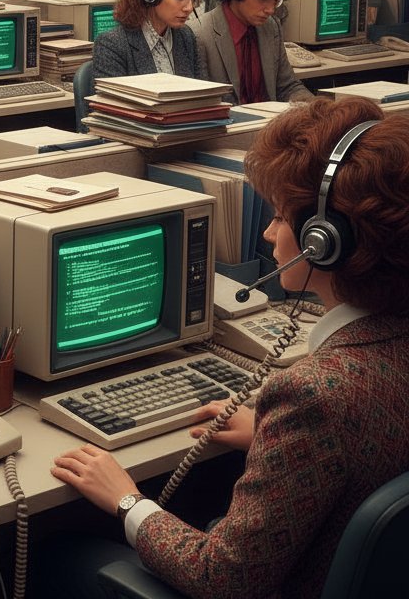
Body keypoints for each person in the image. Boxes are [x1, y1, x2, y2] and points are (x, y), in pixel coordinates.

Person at [42, 96, 409, 599]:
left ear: (323, 241)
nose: (268, 231)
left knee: (59, 552)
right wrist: (275, 435)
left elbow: (223, 579)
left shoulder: (316, 394)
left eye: (280, 217)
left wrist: (126, 499)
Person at [196, 0, 313, 105]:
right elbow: (203, 104)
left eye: (277, 0)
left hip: (270, 127)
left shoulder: (272, 27)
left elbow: (287, 86)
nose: (271, 9)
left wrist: (315, 108)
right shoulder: (200, 34)